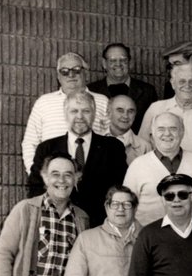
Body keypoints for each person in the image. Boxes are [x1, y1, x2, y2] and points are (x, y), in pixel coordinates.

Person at [28, 91, 128, 226]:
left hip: (99, 226)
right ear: (65, 114)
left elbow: (118, 188)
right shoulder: (47, 148)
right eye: (74, 111)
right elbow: (36, 187)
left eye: (86, 111)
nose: (80, 116)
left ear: (94, 114)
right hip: (56, 223)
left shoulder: (113, 148)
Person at [21, 52, 110, 170]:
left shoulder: (102, 101)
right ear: (58, 76)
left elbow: (110, 138)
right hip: (55, 179)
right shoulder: (43, 103)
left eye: (77, 70)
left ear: (86, 73)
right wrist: (39, 175)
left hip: (95, 175)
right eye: (64, 71)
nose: (71, 75)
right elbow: (30, 143)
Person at [123, 112, 192, 225]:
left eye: (173, 129)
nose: (167, 134)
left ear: (182, 132)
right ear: (153, 134)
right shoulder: (138, 165)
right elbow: (126, 205)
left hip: (187, 234)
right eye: (161, 129)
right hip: (148, 236)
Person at [138, 62, 192, 156]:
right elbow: (141, 149)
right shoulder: (156, 109)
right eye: (182, 81)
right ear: (173, 84)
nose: (187, 86)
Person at [88, 42, 157, 132]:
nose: (118, 64)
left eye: (123, 60)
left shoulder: (148, 91)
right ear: (104, 64)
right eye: (113, 61)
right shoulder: (91, 91)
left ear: (130, 63)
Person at [107, 93, 151, 164]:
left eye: (130, 111)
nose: (125, 116)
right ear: (108, 113)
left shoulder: (145, 147)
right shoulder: (94, 140)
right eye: (120, 110)